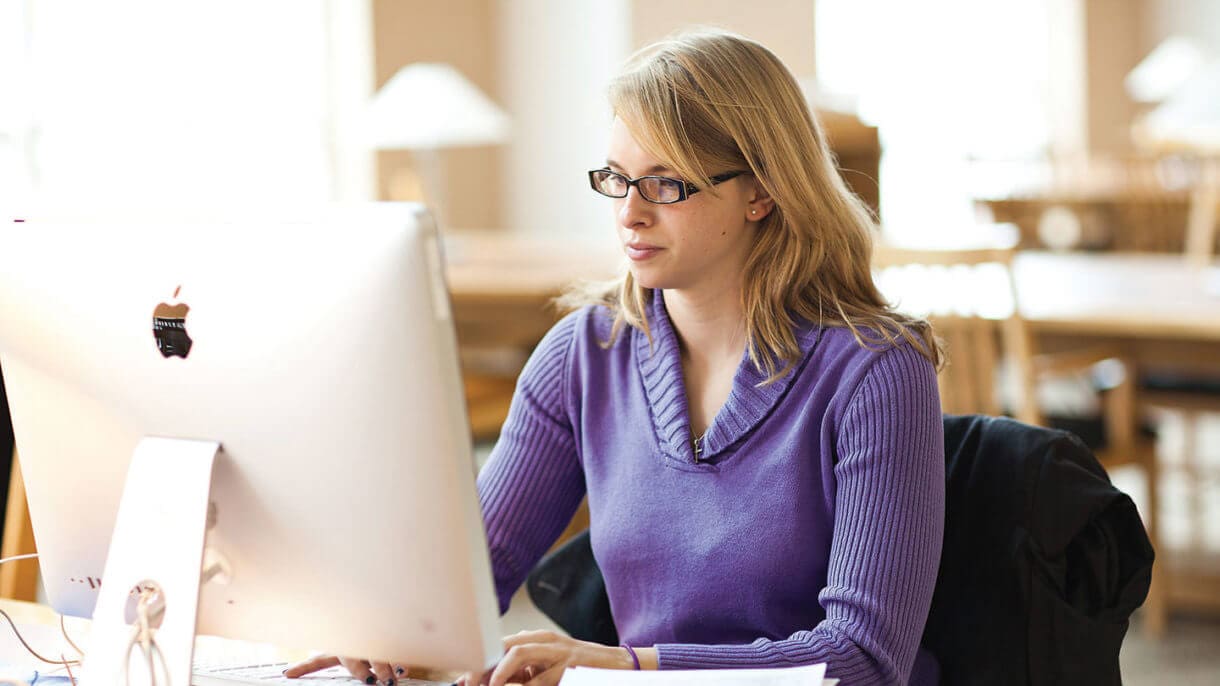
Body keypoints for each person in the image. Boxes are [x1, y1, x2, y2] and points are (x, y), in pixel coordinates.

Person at [288, 28, 945, 686]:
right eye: (616, 178)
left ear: (761, 192)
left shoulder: (877, 371)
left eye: (665, 184)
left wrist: (633, 667)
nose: (628, 213)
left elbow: (863, 659)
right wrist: (387, 629)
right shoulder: (584, 355)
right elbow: (465, 588)